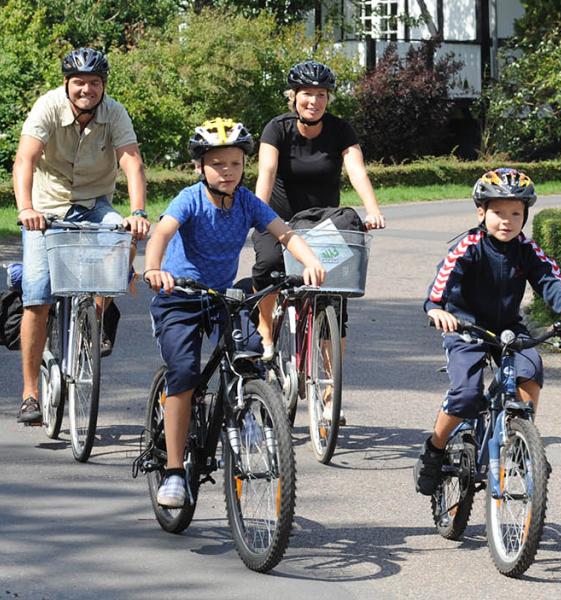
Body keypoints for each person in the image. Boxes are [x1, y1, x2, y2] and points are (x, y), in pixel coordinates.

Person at [143, 117, 325, 508]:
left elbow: (285, 233)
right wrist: (154, 268)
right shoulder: (190, 199)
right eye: (218, 163)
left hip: (221, 295)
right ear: (200, 166)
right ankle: (174, 470)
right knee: (186, 373)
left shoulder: (246, 202)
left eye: (236, 163)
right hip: (179, 293)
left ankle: (247, 411)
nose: (228, 171)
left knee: (248, 358)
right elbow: (162, 232)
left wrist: (309, 262)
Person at [414, 168, 561, 495]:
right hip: (466, 326)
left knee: (530, 368)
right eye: (497, 212)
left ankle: (522, 437)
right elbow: (444, 278)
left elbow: (551, 280)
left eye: (515, 213)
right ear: (481, 212)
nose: (506, 220)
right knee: (467, 395)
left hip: (508, 328)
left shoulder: (527, 249)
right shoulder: (469, 246)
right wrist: (436, 307)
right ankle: (435, 449)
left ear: (524, 216)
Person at [13, 47, 150, 425]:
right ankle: (29, 393)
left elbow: (132, 162)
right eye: (79, 83)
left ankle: (96, 318)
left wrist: (137, 213)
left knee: (119, 238)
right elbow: (25, 158)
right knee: (38, 294)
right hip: (46, 208)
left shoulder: (115, 112)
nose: (86, 89)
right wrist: (26, 208)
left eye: (94, 83)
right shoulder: (47, 106)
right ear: (66, 84)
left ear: (103, 85)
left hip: (94, 203)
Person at [252, 60, 385, 421]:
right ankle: (266, 331)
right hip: (278, 221)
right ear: (293, 97)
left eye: (321, 95)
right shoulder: (276, 129)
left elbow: (356, 169)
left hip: (323, 224)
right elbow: (265, 172)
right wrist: (257, 213)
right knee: (266, 266)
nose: (314, 101)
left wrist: (372, 209)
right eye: (307, 94)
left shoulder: (341, 130)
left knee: (334, 298)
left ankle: (328, 392)